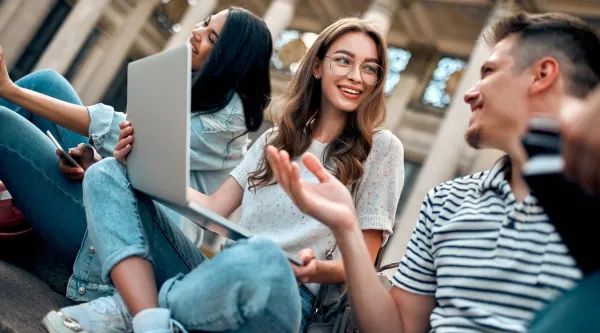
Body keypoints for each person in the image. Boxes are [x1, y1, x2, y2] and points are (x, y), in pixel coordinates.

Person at [43, 17, 404, 333]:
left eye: (371, 68)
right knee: (107, 173)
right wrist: (135, 168)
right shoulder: (276, 139)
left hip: (286, 296)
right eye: (344, 61)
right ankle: (151, 321)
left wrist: (313, 271)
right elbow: (214, 210)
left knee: (263, 254)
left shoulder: (382, 149)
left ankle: (129, 311)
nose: (357, 77)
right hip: (215, 274)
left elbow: (359, 263)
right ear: (317, 67)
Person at [265, 11, 600, 333]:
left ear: (541, 75)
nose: (468, 93)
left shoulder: (587, 206)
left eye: (488, 71)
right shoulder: (446, 201)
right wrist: (348, 228)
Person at [0, 6, 271, 280]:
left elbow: (129, 134)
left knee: (4, 123)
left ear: (231, 58)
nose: (196, 32)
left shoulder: (225, 119)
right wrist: (93, 159)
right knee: (47, 82)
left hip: (129, 229)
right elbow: (143, 164)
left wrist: (11, 90)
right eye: (203, 23)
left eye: (211, 38)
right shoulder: (201, 88)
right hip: (119, 196)